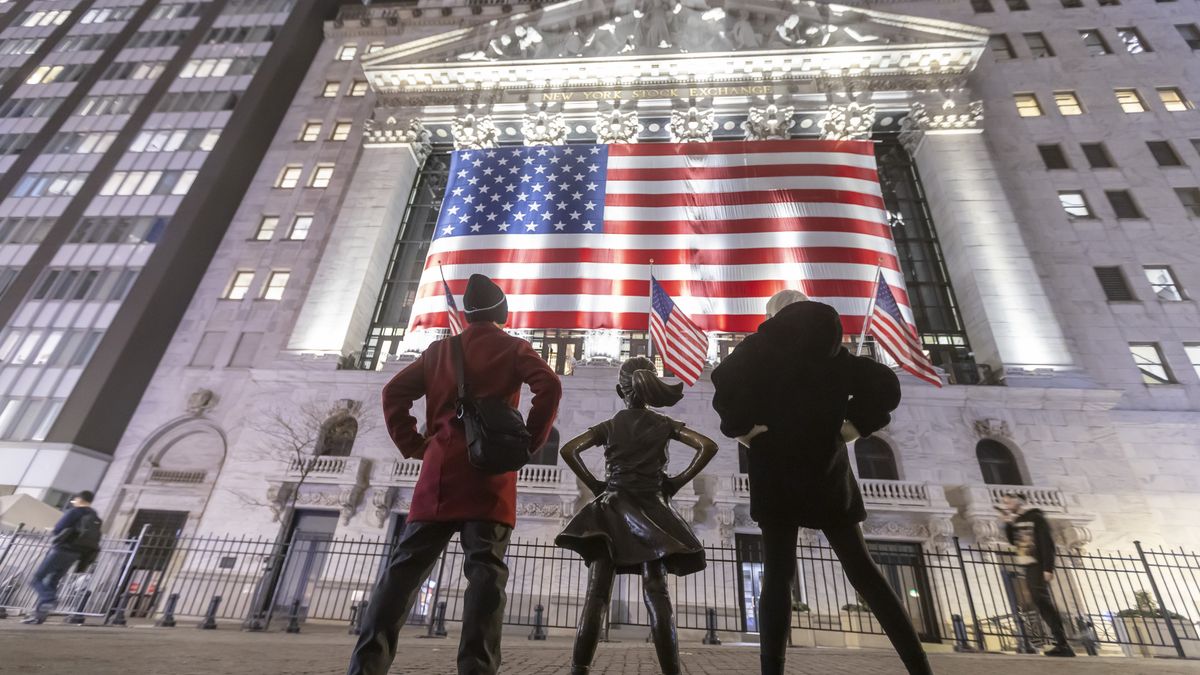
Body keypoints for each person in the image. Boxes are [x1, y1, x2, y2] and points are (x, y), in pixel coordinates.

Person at [347, 274, 563, 675]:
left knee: (402, 572)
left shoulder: (439, 351)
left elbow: (393, 392)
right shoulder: (514, 347)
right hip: (490, 475)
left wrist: (414, 444)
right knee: (485, 575)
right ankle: (476, 669)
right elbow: (548, 384)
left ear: (466, 315)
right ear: (502, 313)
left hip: (439, 474)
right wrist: (530, 441)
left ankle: (367, 666)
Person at [710, 290, 931, 675]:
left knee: (777, 574)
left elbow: (724, 381)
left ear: (775, 314)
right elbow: (885, 385)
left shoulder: (759, 348)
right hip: (826, 468)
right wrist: (854, 427)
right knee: (863, 571)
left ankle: (772, 669)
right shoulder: (834, 350)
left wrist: (744, 429)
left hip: (775, 466)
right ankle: (918, 665)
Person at [556, 357, 718, 675]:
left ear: (621, 389)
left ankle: (579, 669)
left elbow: (569, 449)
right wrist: (675, 482)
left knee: (596, 594)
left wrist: (596, 485)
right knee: (657, 593)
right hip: (652, 511)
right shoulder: (662, 423)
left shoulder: (612, 425)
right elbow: (708, 446)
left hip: (611, 509)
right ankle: (671, 671)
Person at [1000, 491, 1075, 657]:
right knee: (1039, 600)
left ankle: (1062, 639)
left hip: (1038, 564)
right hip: (1027, 565)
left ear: (1019, 500)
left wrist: (1048, 568)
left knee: (1040, 599)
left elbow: (1047, 543)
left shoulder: (1036, 518)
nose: (1007, 505)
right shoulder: (1018, 520)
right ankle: (1061, 638)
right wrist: (1008, 524)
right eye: (1005, 503)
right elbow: (1014, 541)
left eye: (1009, 502)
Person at [23, 490, 101, 625]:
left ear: (79, 499)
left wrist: (53, 531)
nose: (74, 502)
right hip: (76, 554)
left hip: (61, 549)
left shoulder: (75, 512)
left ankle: (48, 599)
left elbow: (59, 528)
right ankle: (39, 616)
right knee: (53, 580)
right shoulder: (94, 516)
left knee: (36, 578)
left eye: (75, 500)